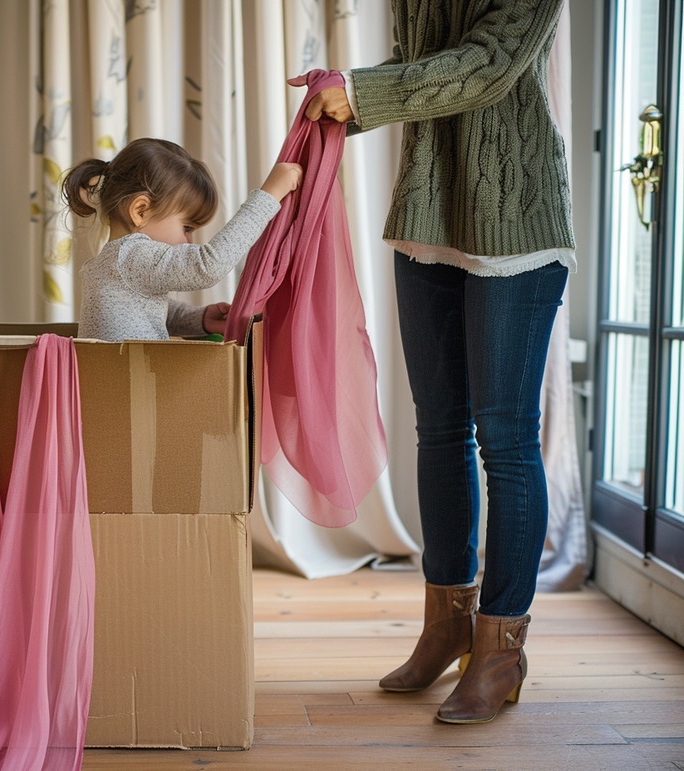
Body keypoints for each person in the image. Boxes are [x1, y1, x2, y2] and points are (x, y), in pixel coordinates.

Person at [290, 0, 575, 724]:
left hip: (516, 221)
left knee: (505, 439)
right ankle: (447, 623)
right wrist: (345, 98)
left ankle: (501, 647)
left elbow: (485, 68)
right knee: (439, 429)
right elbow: (419, 62)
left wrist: (360, 93)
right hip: (427, 215)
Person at [62, 137, 302, 342]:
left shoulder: (113, 262)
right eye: (186, 227)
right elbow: (208, 265)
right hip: (131, 389)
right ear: (141, 211)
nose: (189, 240)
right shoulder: (131, 254)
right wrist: (269, 196)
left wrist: (199, 319)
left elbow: (150, 311)